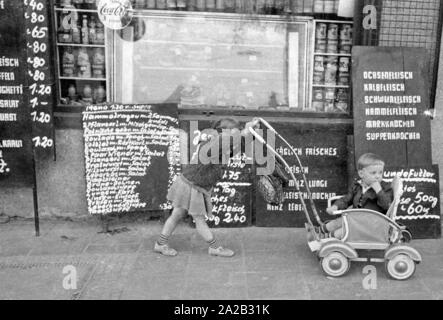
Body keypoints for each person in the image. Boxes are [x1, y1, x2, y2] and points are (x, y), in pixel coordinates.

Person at [154, 118, 260, 257]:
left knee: (177, 215)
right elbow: (227, 143)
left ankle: (160, 244)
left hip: (189, 184)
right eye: (233, 133)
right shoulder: (213, 144)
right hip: (191, 186)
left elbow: (236, 146)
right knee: (199, 220)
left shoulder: (220, 146)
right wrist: (243, 132)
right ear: (223, 133)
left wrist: (250, 133)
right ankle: (214, 247)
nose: (236, 135)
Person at [320, 153, 393, 239]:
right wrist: (336, 206)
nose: (377, 176)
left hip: (371, 223)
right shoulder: (357, 186)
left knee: (338, 233)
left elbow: (386, 205)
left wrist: (379, 191)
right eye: (373, 173)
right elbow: (346, 199)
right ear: (361, 174)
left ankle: (329, 239)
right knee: (335, 223)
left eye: (380, 173)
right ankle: (320, 233)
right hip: (355, 219)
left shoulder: (385, 188)